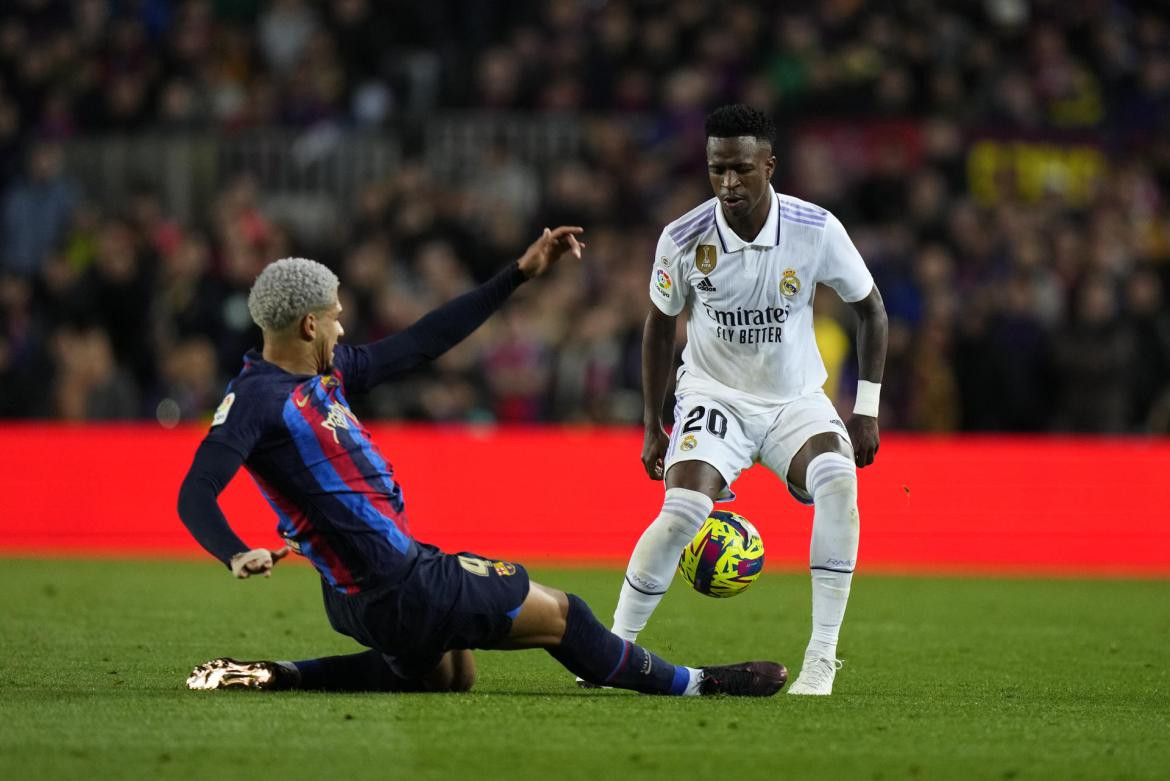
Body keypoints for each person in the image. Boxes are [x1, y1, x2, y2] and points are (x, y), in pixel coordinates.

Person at [177, 225, 785, 697]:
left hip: (358, 597)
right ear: (310, 323)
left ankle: (276, 674)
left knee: (449, 677)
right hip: (399, 584)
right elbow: (196, 491)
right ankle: (702, 682)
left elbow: (422, 342)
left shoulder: (322, 374)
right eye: (336, 316)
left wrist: (517, 274)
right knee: (565, 617)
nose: (343, 325)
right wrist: (233, 549)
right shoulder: (259, 401)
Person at [604, 105, 888, 696]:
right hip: (714, 397)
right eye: (717, 171)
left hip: (795, 401)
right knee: (682, 513)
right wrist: (654, 424)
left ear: (769, 165)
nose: (728, 183)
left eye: (740, 170)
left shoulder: (816, 228)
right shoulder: (683, 238)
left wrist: (866, 408)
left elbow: (871, 310)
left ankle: (821, 657)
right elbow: (659, 327)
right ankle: (615, 652)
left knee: (838, 480)